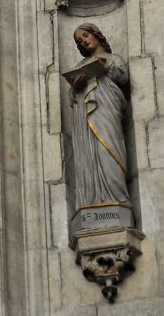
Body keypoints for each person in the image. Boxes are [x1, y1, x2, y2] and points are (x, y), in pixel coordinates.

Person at [70, 23, 132, 211]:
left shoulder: (113, 59)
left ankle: (118, 199)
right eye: (80, 41)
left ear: (97, 35)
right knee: (90, 156)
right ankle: (92, 202)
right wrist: (75, 88)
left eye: (86, 35)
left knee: (109, 152)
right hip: (85, 118)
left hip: (106, 111)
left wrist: (107, 67)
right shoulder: (80, 66)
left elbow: (123, 78)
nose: (84, 41)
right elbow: (72, 96)